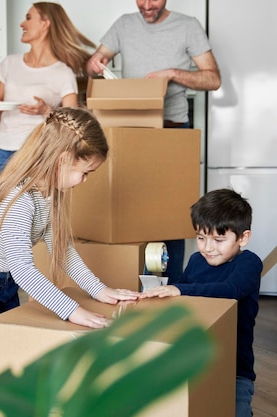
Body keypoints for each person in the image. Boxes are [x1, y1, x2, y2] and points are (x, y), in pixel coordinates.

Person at [0, 107, 142, 417]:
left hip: (2, 276)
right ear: (62, 159)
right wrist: (72, 310)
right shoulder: (19, 199)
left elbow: (62, 251)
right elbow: (24, 268)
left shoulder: (49, 193)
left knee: (9, 351)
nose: (86, 180)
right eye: (85, 171)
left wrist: (100, 291)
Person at [86, 0, 222, 281]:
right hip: (129, 130)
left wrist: (172, 73)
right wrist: (94, 63)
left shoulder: (187, 26)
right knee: (131, 208)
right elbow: (92, 65)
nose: (147, 5)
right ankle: (132, 283)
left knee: (169, 216)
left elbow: (212, 79)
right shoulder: (124, 24)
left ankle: (170, 286)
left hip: (171, 129)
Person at [139, 188, 262, 417]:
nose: (208, 247)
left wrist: (180, 288)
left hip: (234, 369)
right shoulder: (196, 260)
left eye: (218, 239)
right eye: (201, 238)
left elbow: (231, 291)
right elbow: (183, 299)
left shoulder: (249, 264)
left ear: (243, 237)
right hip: (196, 360)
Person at [0, 2, 95, 182]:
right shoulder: (9, 64)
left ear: (45, 24)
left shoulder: (63, 73)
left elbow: (73, 126)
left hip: (37, 152)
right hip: (2, 149)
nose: (22, 24)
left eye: (28, 18)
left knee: (31, 207)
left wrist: (46, 111)